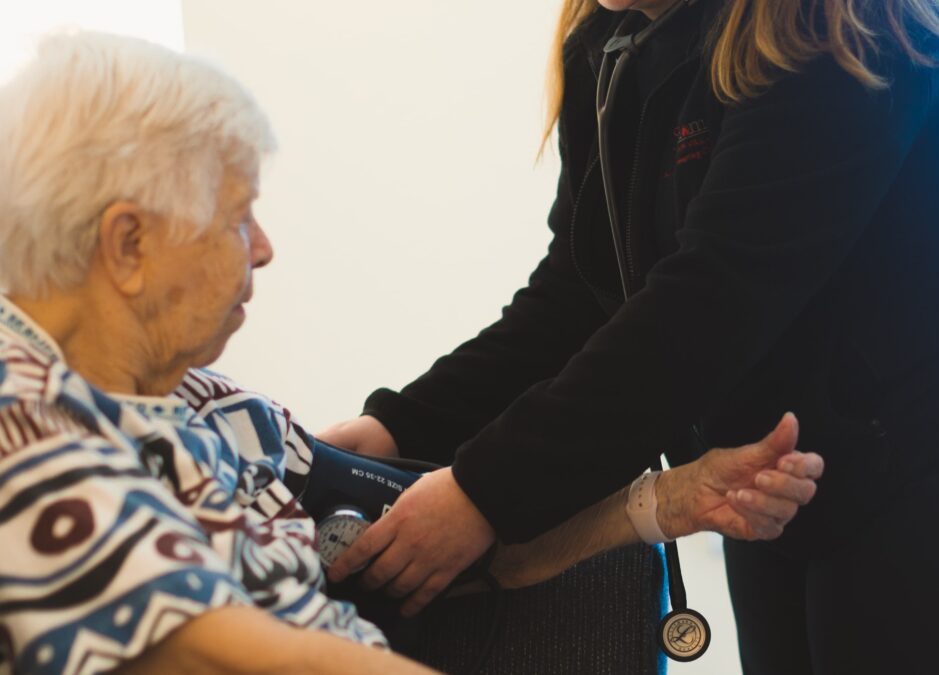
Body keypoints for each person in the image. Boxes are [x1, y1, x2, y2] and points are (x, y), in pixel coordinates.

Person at [322, 0, 939, 673]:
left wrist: (482, 493)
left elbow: (713, 298)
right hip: (793, 459)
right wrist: (393, 429)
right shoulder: (611, 36)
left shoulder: (840, 23)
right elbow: (580, 291)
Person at [0, 30, 824, 675]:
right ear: (128, 244)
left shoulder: (212, 405)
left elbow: (416, 545)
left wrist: (660, 503)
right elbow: (203, 644)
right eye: (234, 217)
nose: (262, 248)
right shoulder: (23, 418)